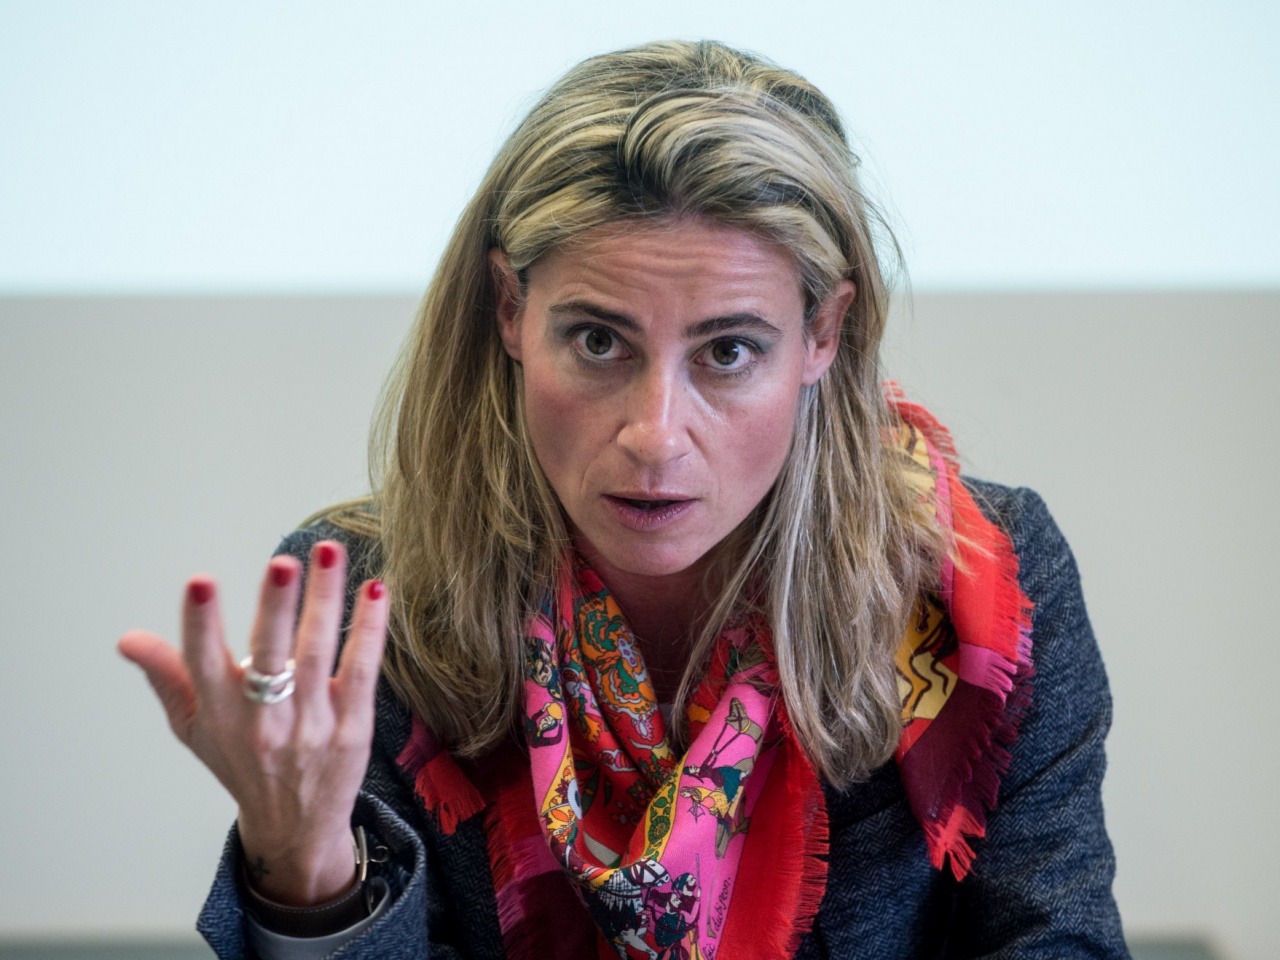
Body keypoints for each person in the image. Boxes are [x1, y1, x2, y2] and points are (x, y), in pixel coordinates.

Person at [120, 39, 1128, 959]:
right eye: (598, 341)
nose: (654, 435)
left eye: (727, 352)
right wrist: (307, 871)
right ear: (510, 310)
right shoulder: (371, 604)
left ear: (821, 334)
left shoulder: (980, 585)